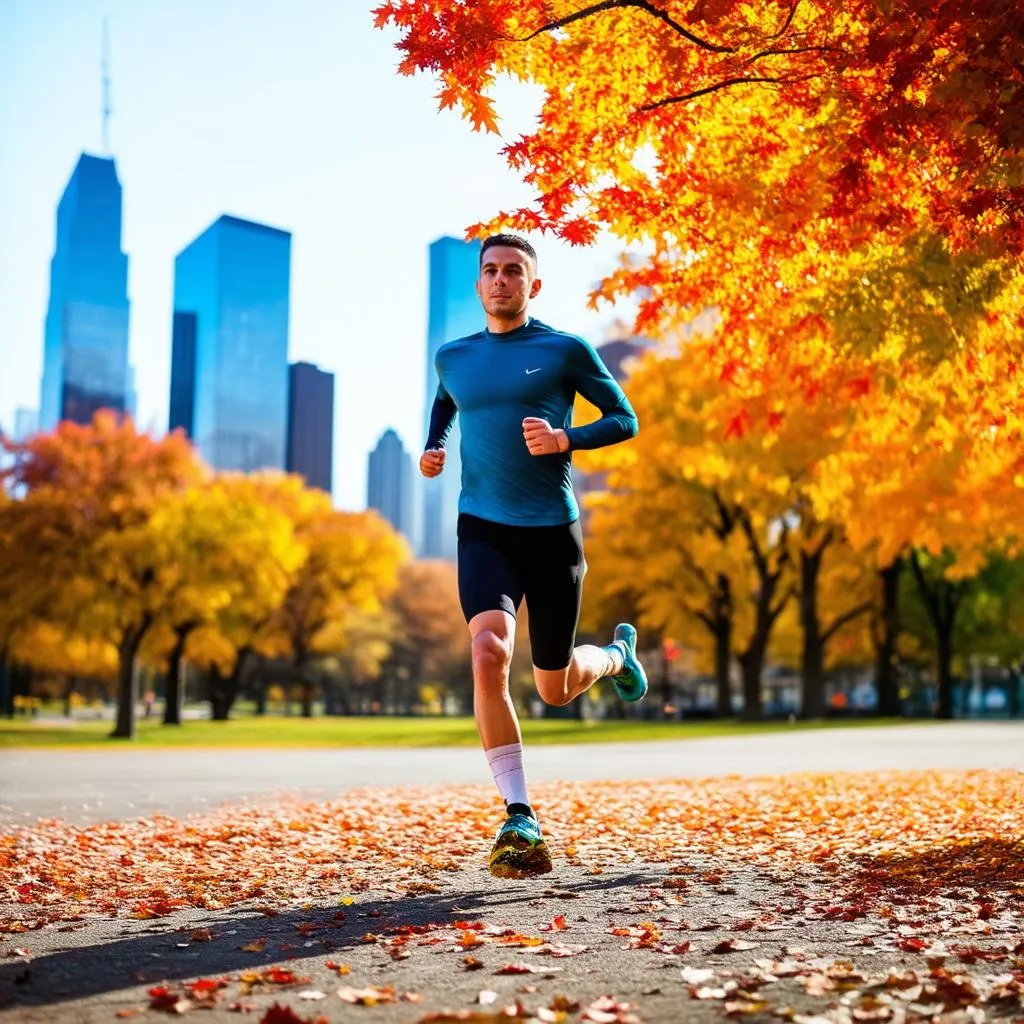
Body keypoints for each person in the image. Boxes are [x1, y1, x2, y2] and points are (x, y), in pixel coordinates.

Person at [420, 233, 647, 879]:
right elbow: (445, 404)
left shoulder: (564, 350)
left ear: (533, 284)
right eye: (490, 271)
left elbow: (624, 418)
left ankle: (613, 657)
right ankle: (519, 812)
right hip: (482, 529)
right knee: (487, 651)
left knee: (555, 687)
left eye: (513, 271)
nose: (500, 280)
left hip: (552, 533)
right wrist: (433, 446)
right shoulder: (452, 356)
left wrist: (564, 438)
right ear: (478, 284)